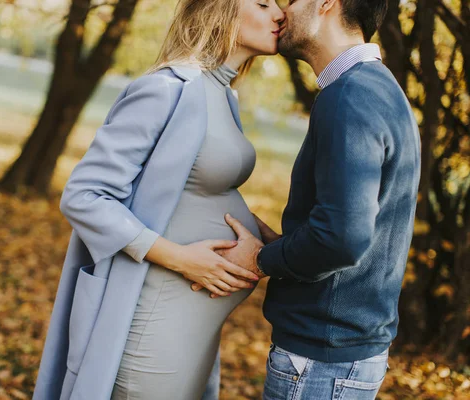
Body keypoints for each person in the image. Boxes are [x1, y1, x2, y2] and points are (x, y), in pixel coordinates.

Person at [32, 1, 285, 399]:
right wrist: (180, 258)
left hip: (190, 332)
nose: (280, 14)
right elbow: (84, 195)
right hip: (153, 324)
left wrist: (268, 240)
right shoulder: (166, 88)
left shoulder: (223, 94)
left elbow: (193, 190)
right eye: (263, 2)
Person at [196, 0, 421, 398]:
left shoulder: (349, 96)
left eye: (291, 0)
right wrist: (282, 243)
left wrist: (260, 260)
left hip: (321, 362)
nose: (282, 10)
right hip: (339, 354)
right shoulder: (378, 88)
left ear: (325, 4)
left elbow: (341, 238)